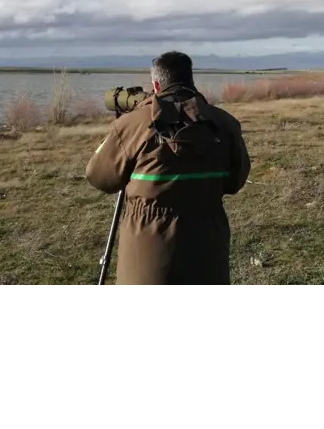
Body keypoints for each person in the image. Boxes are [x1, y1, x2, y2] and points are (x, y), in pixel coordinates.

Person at [85, 51, 251, 284]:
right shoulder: (225, 124)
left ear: (155, 84)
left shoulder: (132, 126)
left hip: (145, 255)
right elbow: (235, 182)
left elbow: (99, 178)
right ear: (191, 81)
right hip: (207, 251)